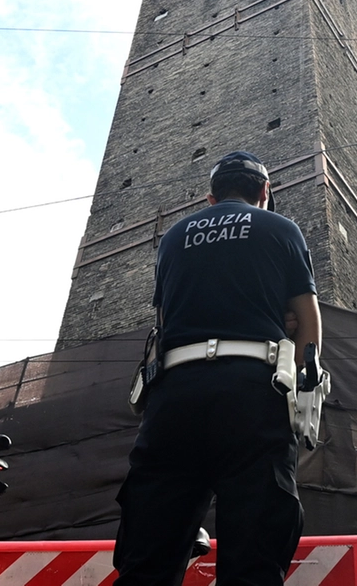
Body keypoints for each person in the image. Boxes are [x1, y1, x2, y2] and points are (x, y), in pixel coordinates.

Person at [114, 151, 322, 586]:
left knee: (148, 555)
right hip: (254, 392)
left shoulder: (173, 237)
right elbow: (308, 322)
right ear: (265, 192)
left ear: (211, 198)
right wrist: (302, 392)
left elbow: (167, 323)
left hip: (175, 395)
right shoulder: (281, 229)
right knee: (254, 556)